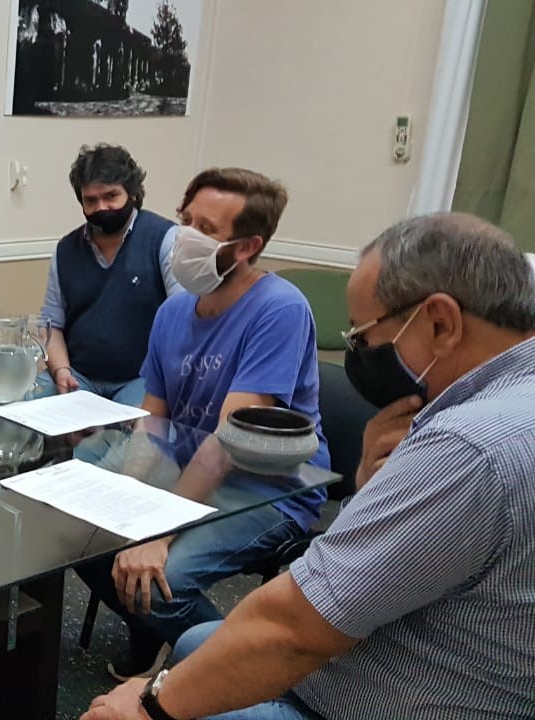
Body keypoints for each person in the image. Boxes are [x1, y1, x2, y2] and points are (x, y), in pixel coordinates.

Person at [81, 213, 535, 720]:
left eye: (365, 336)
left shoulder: (465, 449)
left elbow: (296, 629)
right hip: (396, 641)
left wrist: (150, 705)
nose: (359, 352)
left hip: (379, 693)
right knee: (194, 642)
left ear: (441, 324)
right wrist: (372, 481)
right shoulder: (503, 400)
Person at [75, 168, 329, 679]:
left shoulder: (279, 309)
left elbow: (228, 443)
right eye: (185, 220)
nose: (185, 237)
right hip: (188, 469)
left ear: (247, 247)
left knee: (163, 579)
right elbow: (153, 423)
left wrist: (158, 531)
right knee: (78, 531)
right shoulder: (174, 311)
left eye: (207, 229)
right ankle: (150, 629)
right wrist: (120, 501)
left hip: (268, 489)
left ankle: (239, 674)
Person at [35, 144, 182, 405]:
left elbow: (183, 320)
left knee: (133, 429)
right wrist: (61, 371)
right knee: (26, 403)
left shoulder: (165, 239)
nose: (102, 207)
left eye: (111, 196)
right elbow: (51, 325)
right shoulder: (66, 249)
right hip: (78, 375)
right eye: (91, 200)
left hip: (141, 378)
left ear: (132, 193)